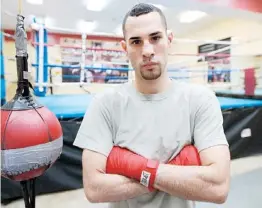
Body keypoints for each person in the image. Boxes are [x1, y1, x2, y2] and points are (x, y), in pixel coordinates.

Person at [73, 3, 230, 208]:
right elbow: (94, 189)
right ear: (125, 48)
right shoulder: (105, 105)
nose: (147, 50)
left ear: (169, 39)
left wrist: (134, 167)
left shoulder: (201, 100)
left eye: (155, 38)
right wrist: (178, 174)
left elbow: (218, 188)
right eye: (136, 42)